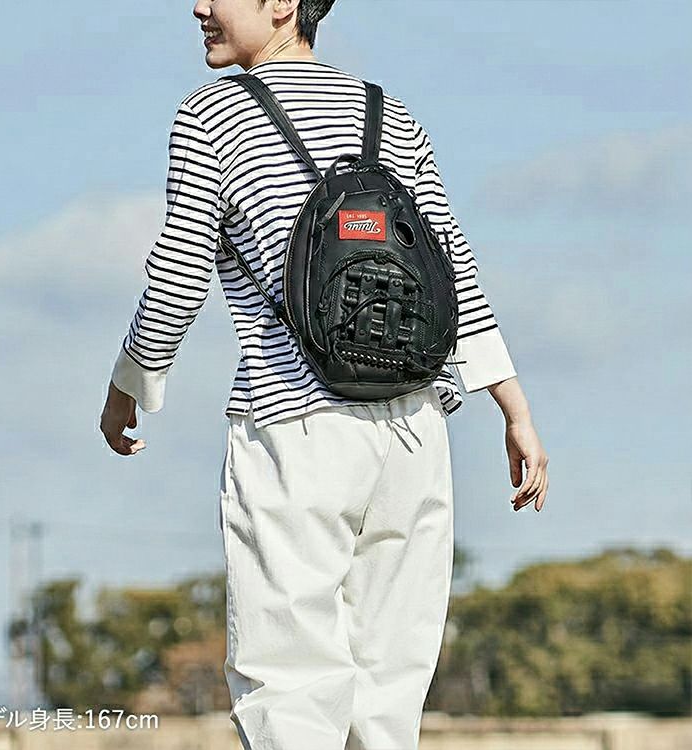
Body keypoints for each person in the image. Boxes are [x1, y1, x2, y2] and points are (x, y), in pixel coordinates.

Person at [99, 1, 550, 748]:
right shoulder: (390, 114)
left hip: (295, 427)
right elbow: (452, 267)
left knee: (289, 684)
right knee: (389, 690)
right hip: (414, 433)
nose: (200, 6)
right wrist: (514, 408)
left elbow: (178, 271)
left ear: (283, 1)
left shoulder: (211, 116)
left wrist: (130, 385)